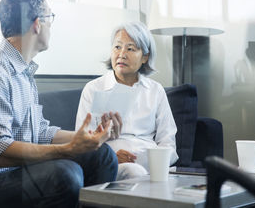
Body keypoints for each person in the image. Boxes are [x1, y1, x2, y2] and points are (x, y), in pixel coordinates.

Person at [0, 0, 118, 208]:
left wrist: (88, 138)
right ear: (37, 23)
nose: (51, 26)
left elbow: (40, 132)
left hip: (10, 174)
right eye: (50, 17)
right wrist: (66, 151)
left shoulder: (22, 72)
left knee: (101, 154)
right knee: (65, 174)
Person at [75, 21, 178, 181]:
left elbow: (168, 143)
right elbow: (82, 143)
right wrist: (111, 157)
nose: (122, 54)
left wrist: (154, 163)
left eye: (130, 48)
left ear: (145, 57)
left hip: (150, 164)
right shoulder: (94, 88)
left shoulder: (155, 90)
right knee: (133, 171)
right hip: (112, 164)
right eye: (117, 47)